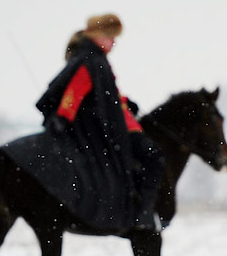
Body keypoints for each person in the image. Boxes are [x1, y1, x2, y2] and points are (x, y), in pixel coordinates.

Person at [32, 13, 163, 231]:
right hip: (113, 131)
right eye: (111, 37)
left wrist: (123, 103)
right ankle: (143, 214)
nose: (114, 43)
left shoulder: (95, 59)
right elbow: (74, 92)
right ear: (99, 35)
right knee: (153, 156)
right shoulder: (90, 60)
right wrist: (63, 117)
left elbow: (106, 96)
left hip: (120, 125)